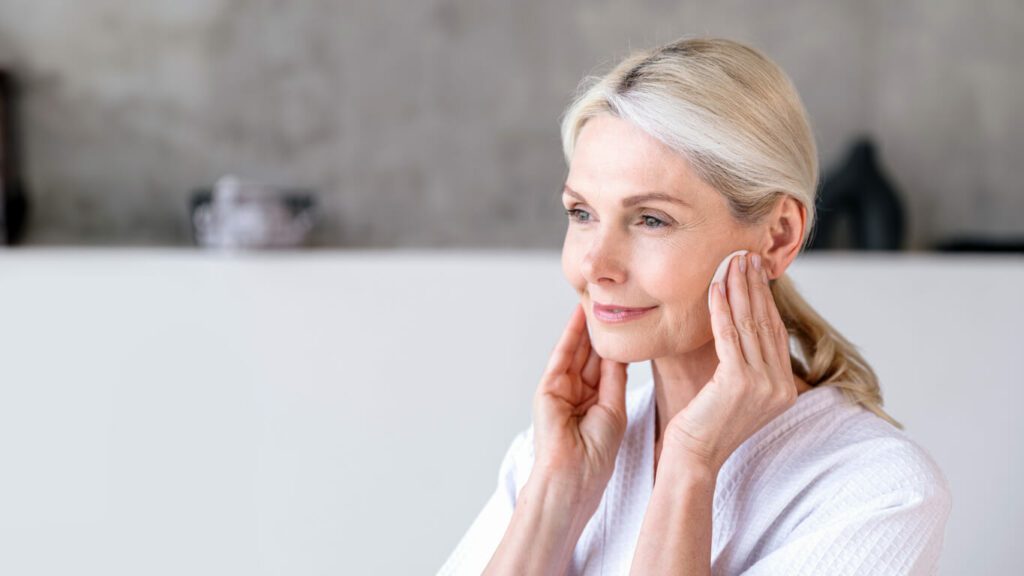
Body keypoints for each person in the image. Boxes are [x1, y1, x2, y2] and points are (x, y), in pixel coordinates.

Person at [438, 37, 951, 575]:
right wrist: (553, 500)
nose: (594, 265)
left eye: (651, 219)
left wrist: (690, 467)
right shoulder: (552, 456)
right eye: (582, 213)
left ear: (777, 237)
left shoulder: (878, 492)